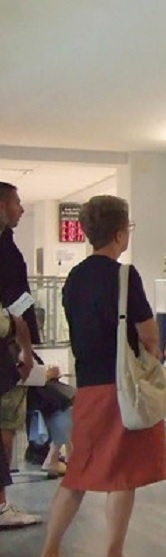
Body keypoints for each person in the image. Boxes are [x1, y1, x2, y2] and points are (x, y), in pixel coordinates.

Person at [38, 195, 166, 557]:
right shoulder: (124, 276)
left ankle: (49, 553)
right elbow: (148, 334)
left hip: (89, 387)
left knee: (78, 472)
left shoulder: (74, 279)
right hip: (123, 387)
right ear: (119, 234)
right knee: (124, 474)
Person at [0, 181, 40, 529]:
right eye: (16, 202)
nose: (21, 209)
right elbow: (17, 308)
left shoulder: (8, 245)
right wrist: (26, 350)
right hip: (7, 349)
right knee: (6, 421)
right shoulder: (6, 251)